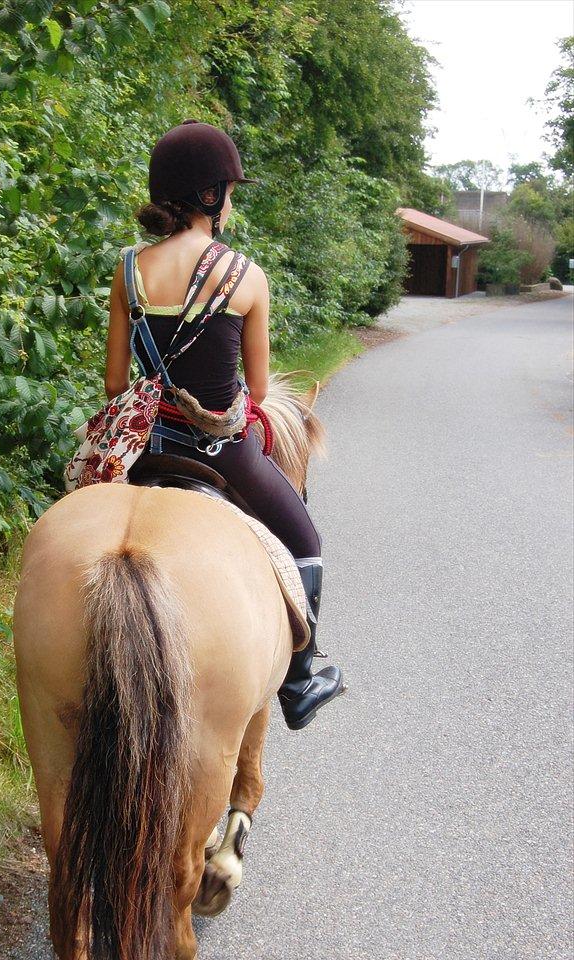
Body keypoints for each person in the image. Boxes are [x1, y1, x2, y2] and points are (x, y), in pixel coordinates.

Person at [104, 120, 343, 731]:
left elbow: (114, 384)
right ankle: (301, 675)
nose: (232, 202)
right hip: (219, 451)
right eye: (229, 190)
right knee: (306, 539)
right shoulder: (245, 276)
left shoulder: (129, 268)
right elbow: (258, 392)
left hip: (143, 451)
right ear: (209, 196)